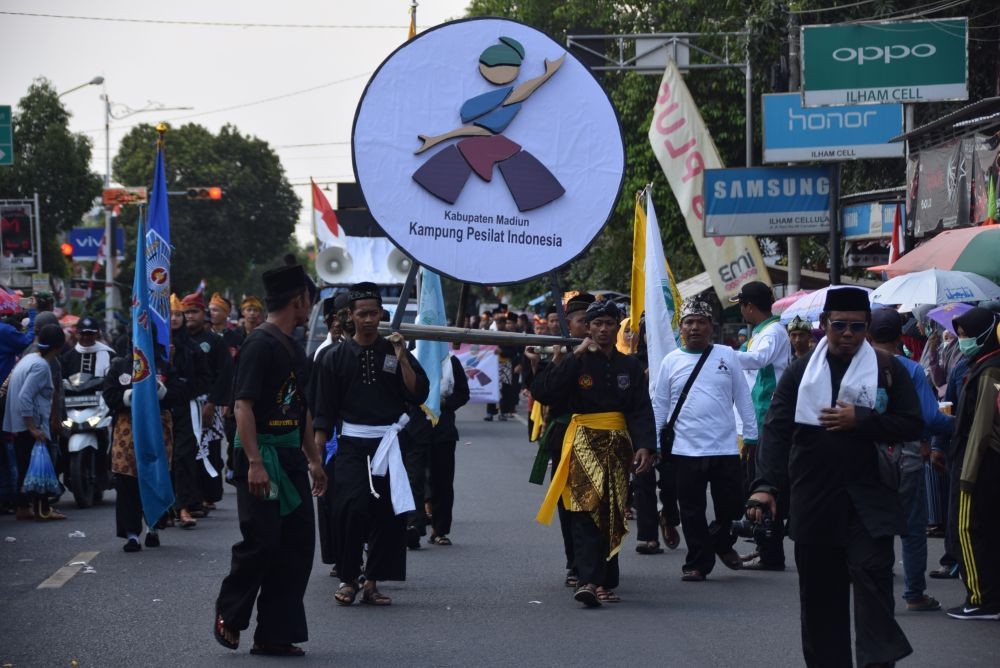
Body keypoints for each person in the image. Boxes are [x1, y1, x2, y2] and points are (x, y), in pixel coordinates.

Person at [749, 286, 923, 667]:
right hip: (815, 500)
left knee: (874, 586)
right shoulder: (799, 372)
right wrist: (765, 487)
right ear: (824, 324)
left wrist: (862, 420)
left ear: (868, 328)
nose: (848, 334)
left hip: (869, 502)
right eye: (840, 325)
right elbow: (776, 432)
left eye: (857, 327)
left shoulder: (888, 368)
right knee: (820, 601)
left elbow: (913, 423)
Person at [214, 264, 326, 657]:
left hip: (292, 459)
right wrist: (254, 463)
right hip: (262, 458)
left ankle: (275, 633)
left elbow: (302, 409)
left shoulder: (296, 349)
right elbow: (243, 406)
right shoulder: (259, 345)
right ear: (299, 300)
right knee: (261, 542)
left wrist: (314, 459)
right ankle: (230, 613)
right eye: (309, 300)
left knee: (297, 546)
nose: (310, 308)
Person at [312, 282, 429, 607]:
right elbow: (323, 412)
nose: (367, 319)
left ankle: (373, 582)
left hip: (389, 444)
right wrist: (317, 459)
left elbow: (417, 393)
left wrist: (403, 357)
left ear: (381, 315)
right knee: (350, 508)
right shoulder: (334, 358)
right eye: (361, 313)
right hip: (351, 445)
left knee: (386, 515)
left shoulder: (392, 351)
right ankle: (349, 577)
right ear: (350, 316)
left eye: (372, 313)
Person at [533, 300, 655, 607]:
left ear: (618, 327)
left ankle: (605, 581)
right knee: (584, 510)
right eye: (597, 324)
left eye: (609, 324)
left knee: (612, 511)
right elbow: (545, 392)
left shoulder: (630, 366)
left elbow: (640, 408)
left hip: (617, 445)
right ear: (587, 328)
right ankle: (587, 580)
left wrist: (644, 446)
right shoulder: (577, 361)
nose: (603, 330)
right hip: (582, 442)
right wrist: (573, 356)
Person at [652, 297, 755, 581]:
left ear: (712, 327)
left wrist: (752, 435)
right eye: (689, 323)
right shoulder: (671, 361)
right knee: (692, 510)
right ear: (681, 328)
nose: (695, 327)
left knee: (732, 506)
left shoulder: (727, 355)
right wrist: (656, 443)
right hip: (685, 450)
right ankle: (697, 562)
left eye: (701, 322)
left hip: (724, 448)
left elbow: (742, 397)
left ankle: (721, 543)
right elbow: (660, 403)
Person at [869, 308, 954, 612]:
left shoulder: (857, 366)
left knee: (870, 523)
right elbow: (930, 417)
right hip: (906, 456)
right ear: (899, 336)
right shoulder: (912, 369)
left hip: (866, 456)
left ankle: (872, 587)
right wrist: (958, 421)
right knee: (912, 527)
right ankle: (914, 594)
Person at [525, 291, 595, 588]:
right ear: (570, 324)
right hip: (566, 438)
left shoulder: (610, 354)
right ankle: (576, 563)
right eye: (584, 321)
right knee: (569, 506)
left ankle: (598, 564)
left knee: (599, 505)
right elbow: (544, 392)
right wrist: (541, 364)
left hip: (602, 439)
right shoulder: (561, 354)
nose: (591, 328)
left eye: (597, 321)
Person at [103, 335, 187, 552]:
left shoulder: (164, 366)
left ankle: (153, 527)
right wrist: (132, 394)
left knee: (156, 477)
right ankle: (131, 534)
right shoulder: (119, 366)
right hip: (127, 431)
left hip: (157, 428)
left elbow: (178, 395)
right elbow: (109, 395)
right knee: (126, 481)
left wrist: (159, 390)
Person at [728, 281, 790, 571]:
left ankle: (771, 553)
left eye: (741, 305)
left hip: (767, 418)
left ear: (748, 306)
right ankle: (766, 547)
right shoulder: (763, 333)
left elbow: (759, 360)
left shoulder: (773, 332)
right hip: (756, 418)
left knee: (763, 486)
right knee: (755, 484)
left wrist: (724, 354)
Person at [945, 307, 1000, 620]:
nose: (961, 341)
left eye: (965, 335)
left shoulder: (989, 369)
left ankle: (980, 598)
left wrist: (966, 474)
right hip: (982, 461)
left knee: (967, 528)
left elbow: (980, 427)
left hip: (977, 464)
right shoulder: (982, 365)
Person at [4, 324, 66, 521]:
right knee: (42, 465)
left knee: (27, 465)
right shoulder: (40, 366)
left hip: (20, 423)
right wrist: (32, 427)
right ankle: (43, 509)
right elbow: (25, 396)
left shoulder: (29, 358)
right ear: (59, 346)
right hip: (31, 425)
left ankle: (24, 507)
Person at [310, 294, 349, 576]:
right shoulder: (324, 354)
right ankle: (339, 555)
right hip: (333, 435)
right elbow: (317, 404)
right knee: (332, 496)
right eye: (338, 318)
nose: (342, 324)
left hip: (361, 433)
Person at [184, 292, 234, 512]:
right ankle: (188, 497)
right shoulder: (177, 340)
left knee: (209, 448)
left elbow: (224, 373)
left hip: (208, 403)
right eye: (185, 313)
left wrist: (213, 403)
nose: (189, 317)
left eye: (194, 312)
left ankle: (208, 494)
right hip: (184, 404)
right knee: (186, 450)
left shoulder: (214, 341)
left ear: (203, 314)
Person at [424, 349, 471, 545]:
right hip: (414, 428)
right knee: (415, 478)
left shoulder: (452, 362)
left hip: (443, 430)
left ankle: (440, 529)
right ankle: (414, 524)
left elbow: (463, 393)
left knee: (442, 480)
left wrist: (443, 403)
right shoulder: (411, 354)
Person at [209, 293, 244, 357]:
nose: (210, 313)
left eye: (215, 310)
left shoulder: (236, 338)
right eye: (210, 310)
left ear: (226, 313)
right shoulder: (203, 335)